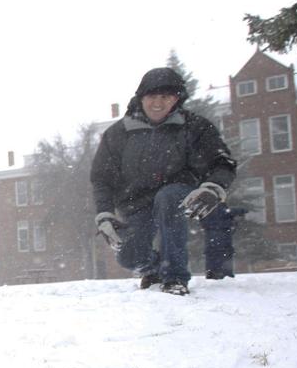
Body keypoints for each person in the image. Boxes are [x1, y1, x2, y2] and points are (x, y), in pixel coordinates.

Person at [90, 67, 237, 295]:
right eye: (152, 96)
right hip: (136, 202)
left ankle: (175, 276)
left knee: (167, 197)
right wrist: (105, 214)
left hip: (179, 194)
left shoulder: (194, 127)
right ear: (141, 98)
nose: (158, 103)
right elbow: (102, 178)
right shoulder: (118, 134)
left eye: (166, 97)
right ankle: (154, 268)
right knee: (129, 256)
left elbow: (222, 162)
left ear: (177, 99)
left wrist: (213, 187)